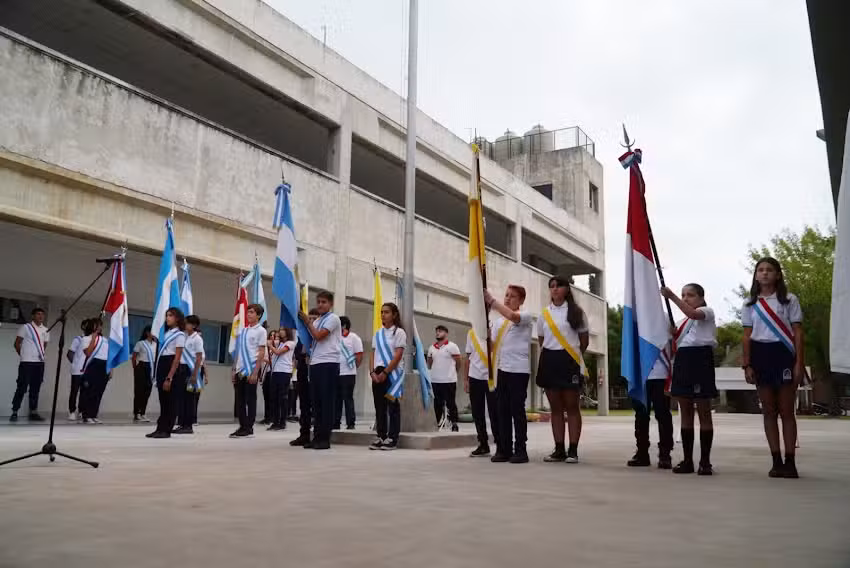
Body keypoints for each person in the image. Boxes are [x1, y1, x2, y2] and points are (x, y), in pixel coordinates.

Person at [741, 257, 805, 479]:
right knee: (768, 410)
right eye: (761, 270)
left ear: (778, 274)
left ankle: (790, 461)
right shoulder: (750, 304)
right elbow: (747, 336)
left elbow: (797, 332)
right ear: (756, 275)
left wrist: (799, 362)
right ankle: (776, 460)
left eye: (769, 270)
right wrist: (746, 364)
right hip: (760, 355)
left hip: (783, 354)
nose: (765, 273)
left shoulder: (788, 300)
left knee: (787, 410)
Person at [661, 283, 718, 476]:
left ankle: (705, 461)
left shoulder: (705, 312)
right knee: (685, 411)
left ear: (701, 298)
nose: (686, 298)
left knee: (703, 411)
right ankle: (687, 460)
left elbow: (693, 314)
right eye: (683, 295)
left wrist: (671, 297)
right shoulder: (682, 321)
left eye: (690, 295)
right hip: (684, 361)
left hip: (700, 359)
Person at [536, 276, 590, 464]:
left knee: (572, 407)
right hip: (550, 360)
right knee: (556, 408)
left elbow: (584, 341)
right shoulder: (544, 313)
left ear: (567, 289)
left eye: (558, 286)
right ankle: (559, 448)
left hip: (570, 361)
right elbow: (542, 339)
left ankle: (572, 450)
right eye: (551, 286)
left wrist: (572, 356)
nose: (555, 289)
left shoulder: (577, 312)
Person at [484, 285, 534, 464]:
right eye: (506, 295)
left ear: (521, 301)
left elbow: (513, 316)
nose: (507, 298)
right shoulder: (498, 323)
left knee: (517, 411)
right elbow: (492, 347)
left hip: (518, 371)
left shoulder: (526, 316)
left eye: (513, 296)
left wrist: (492, 301)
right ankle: (504, 449)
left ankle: (521, 449)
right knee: (502, 411)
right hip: (502, 370)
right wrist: (486, 329)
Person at [298, 291, 342, 450]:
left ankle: (324, 438)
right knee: (316, 403)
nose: (320, 305)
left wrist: (307, 322)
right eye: (318, 302)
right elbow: (309, 339)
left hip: (329, 362)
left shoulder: (333, 319)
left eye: (324, 302)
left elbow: (318, 336)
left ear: (330, 304)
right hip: (316, 362)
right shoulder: (317, 321)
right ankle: (316, 437)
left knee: (326, 402)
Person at [627, 344, 674, 469]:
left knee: (663, 414)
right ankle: (642, 452)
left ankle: (665, 454)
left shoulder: (665, 323)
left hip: (661, 374)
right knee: (641, 415)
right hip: (642, 373)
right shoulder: (636, 323)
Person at [369, 302, 406, 451]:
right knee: (379, 407)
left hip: (392, 373)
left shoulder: (399, 332)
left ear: (394, 314)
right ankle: (381, 436)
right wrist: (372, 372)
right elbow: (372, 353)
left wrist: (386, 372)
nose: (383, 315)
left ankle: (392, 438)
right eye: (382, 312)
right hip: (377, 372)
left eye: (387, 312)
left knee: (393, 407)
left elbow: (398, 355)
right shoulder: (377, 333)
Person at [146, 308, 187, 439]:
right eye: (166, 315)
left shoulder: (180, 335)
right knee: (163, 400)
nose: (167, 318)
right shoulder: (166, 333)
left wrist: (169, 377)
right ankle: (160, 428)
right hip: (162, 364)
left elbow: (177, 358)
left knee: (170, 401)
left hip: (171, 366)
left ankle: (167, 430)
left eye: (171, 316)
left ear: (177, 318)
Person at [230, 304, 267, 438]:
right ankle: (242, 425)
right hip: (240, 368)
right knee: (239, 400)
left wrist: (256, 372)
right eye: (248, 312)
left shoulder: (261, 331)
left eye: (252, 312)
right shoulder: (243, 331)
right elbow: (238, 351)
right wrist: (234, 369)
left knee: (250, 399)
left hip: (251, 368)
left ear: (258, 315)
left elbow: (261, 352)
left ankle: (249, 427)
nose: (249, 314)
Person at [10, 307, 49, 422]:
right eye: (38, 314)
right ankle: (15, 411)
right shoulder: (26, 327)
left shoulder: (46, 330)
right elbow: (17, 343)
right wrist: (23, 356)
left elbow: (44, 346)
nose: (40, 316)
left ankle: (33, 412)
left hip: (39, 363)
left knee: (35, 388)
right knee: (22, 387)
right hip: (26, 362)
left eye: (42, 314)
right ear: (33, 316)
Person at [465, 330, 499, 457]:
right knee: (477, 413)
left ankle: (500, 443)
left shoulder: (495, 329)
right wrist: (466, 379)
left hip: (492, 377)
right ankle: (483, 444)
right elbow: (468, 357)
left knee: (494, 411)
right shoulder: (471, 333)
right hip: (475, 376)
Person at [427, 325, 461, 432]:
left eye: (440, 331)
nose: (438, 333)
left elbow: (458, 362)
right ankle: (437, 422)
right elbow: (429, 363)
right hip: (435, 380)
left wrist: (454, 372)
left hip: (449, 380)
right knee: (437, 403)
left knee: (451, 403)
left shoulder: (452, 346)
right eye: (436, 331)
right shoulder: (431, 347)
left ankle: (454, 423)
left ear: (446, 333)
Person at [289, 315, 316, 447]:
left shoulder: (320, 335)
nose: (311, 321)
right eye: (309, 318)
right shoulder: (302, 336)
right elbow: (297, 353)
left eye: (314, 319)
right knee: (304, 404)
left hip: (316, 371)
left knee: (316, 405)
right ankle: (304, 434)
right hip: (303, 371)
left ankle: (317, 434)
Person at [175, 315, 205, 434]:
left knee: (189, 399)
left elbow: (199, 358)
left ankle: (188, 425)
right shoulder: (185, 337)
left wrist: (194, 374)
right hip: (182, 368)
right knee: (181, 398)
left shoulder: (197, 339)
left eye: (187, 323)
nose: (185, 325)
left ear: (194, 325)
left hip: (191, 370)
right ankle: (181, 424)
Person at [79, 317, 109, 424]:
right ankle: (86, 415)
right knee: (90, 391)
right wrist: (93, 338)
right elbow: (88, 353)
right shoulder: (85, 339)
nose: (99, 327)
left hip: (104, 366)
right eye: (97, 325)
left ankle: (94, 414)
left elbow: (109, 355)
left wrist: (111, 369)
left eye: (100, 325)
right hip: (93, 365)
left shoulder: (105, 340)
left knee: (99, 392)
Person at [336, 316, 363, 430]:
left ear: (343, 326)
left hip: (348, 373)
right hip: (336, 373)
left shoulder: (354, 338)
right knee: (336, 398)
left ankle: (350, 422)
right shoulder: (335, 338)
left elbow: (359, 355)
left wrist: (354, 367)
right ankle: (335, 422)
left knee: (348, 398)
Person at [267, 328, 296, 431]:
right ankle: (275, 422)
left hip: (284, 372)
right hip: (275, 371)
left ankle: (282, 422)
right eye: (280, 330)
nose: (281, 332)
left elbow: (279, 352)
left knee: (282, 398)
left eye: (283, 330)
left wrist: (270, 346)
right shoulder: (279, 343)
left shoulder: (291, 343)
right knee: (274, 398)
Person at [132, 325, 157, 423]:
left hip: (151, 368)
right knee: (139, 391)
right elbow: (134, 356)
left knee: (147, 391)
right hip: (142, 367)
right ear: (147, 333)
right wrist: (135, 368)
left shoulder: (156, 344)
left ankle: (143, 413)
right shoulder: (140, 343)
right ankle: (136, 413)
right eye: (152, 332)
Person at [66, 318, 89, 421]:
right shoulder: (78, 339)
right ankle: (71, 411)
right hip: (77, 371)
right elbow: (69, 353)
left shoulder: (91, 341)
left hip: (87, 371)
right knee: (74, 391)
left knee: (85, 391)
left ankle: (81, 411)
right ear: (83, 327)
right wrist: (76, 363)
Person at [260, 328, 276, 425]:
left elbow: (273, 361)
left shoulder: (277, 347)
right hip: (265, 373)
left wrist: (265, 359)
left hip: (273, 373)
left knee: (271, 397)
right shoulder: (266, 348)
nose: (272, 337)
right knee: (266, 396)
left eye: (274, 336)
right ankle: (266, 417)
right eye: (270, 336)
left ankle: (272, 417)